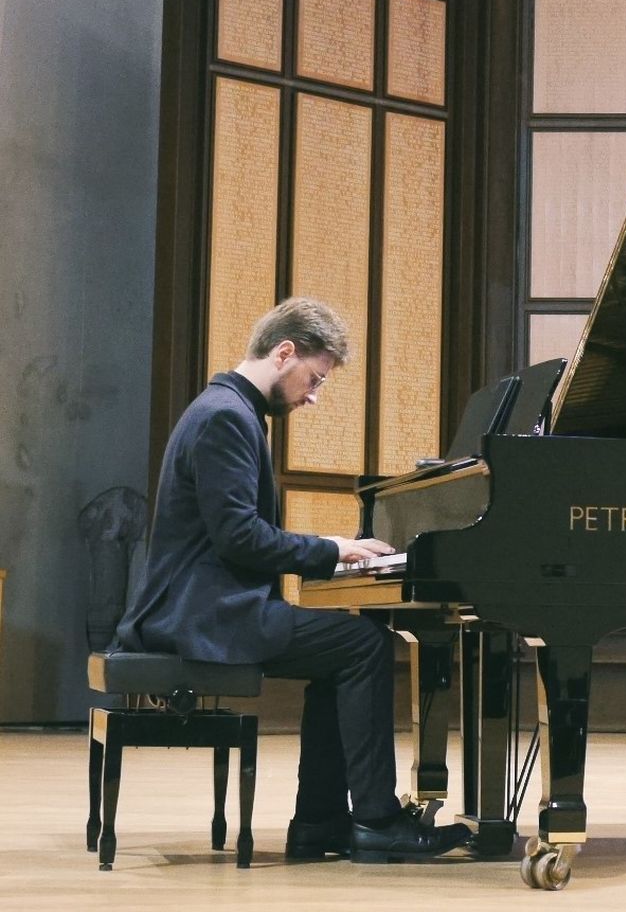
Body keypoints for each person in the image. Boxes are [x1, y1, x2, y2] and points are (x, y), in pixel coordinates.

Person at [115, 296, 470, 862]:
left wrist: (332, 552)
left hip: (207, 606)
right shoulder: (228, 417)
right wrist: (332, 550)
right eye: (315, 378)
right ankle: (374, 821)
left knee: (345, 649)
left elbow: (236, 534)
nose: (313, 394)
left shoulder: (225, 409)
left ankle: (321, 824)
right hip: (204, 615)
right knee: (363, 645)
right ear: (285, 352)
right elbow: (239, 537)